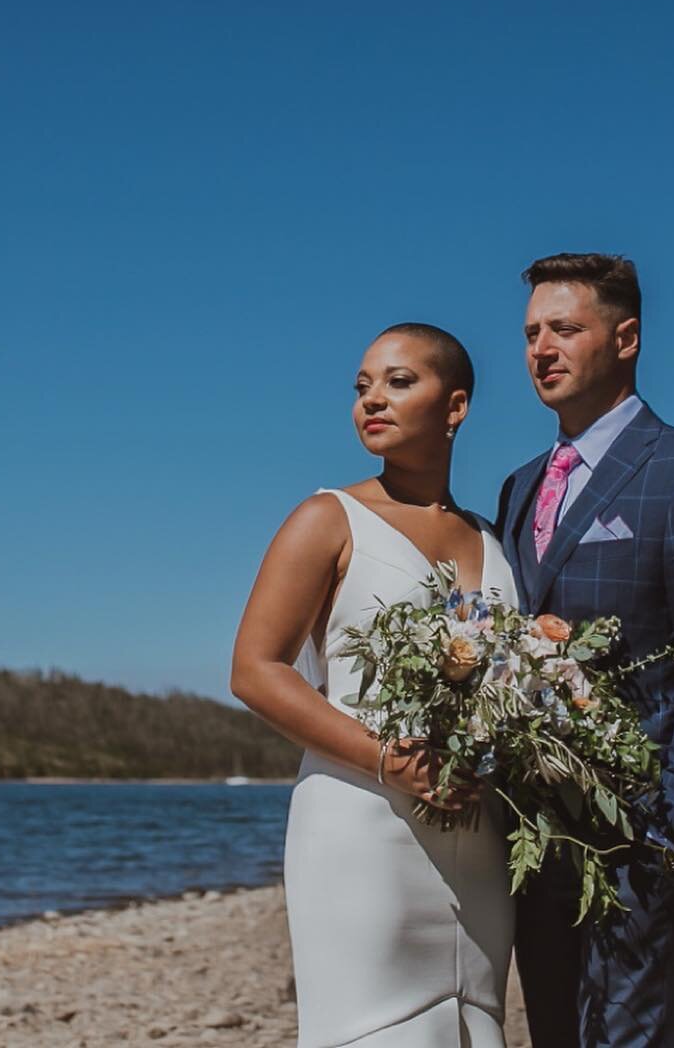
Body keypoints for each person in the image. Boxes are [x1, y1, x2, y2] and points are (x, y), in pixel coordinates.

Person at [495, 253, 674, 1048]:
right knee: (553, 1032)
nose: (542, 348)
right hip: (533, 832)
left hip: (642, 833)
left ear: (627, 338)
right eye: (532, 332)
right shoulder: (517, 487)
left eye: (565, 329)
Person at [231, 322, 517, 1048]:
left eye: (398, 382)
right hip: (362, 830)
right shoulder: (328, 519)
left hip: (479, 838)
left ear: (455, 407)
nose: (372, 401)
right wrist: (390, 759)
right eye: (362, 387)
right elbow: (256, 671)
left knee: (475, 1025)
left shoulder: (494, 540)